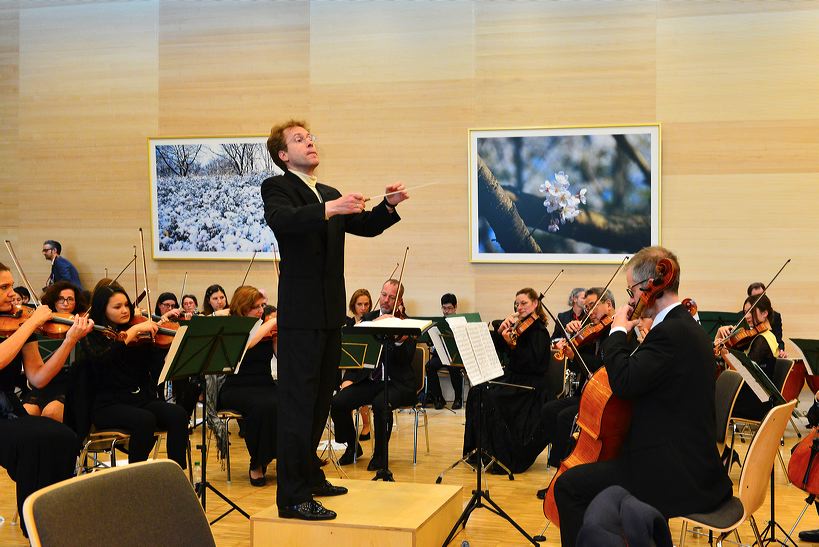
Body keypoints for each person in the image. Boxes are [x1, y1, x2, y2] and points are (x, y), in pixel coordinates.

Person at [261, 119, 406, 520]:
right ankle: (292, 497)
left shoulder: (329, 192)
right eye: (299, 140)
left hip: (330, 315)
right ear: (283, 155)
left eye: (310, 137)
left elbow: (365, 226)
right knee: (297, 406)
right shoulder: (277, 188)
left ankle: (310, 476)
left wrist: (388, 204)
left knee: (322, 398)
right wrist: (330, 209)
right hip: (300, 316)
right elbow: (285, 221)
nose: (310, 143)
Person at [553, 246, 733, 547]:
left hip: (672, 474)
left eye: (631, 290)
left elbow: (623, 381)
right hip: (691, 464)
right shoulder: (685, 327)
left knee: (568, 488)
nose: (630, 299)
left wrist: (617, 331)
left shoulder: (670, 333)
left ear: (651, 286)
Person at [0, 262, 92, 537]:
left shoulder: (17, 322)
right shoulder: (23, 324)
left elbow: (38, 378)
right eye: (3, 288)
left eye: (10, 286)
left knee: (63, 436)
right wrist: (30, 325)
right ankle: (34, 527)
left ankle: (54, 521)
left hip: (8, 408)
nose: (12, 293)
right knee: (34, 441)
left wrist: (69, 342)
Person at [80, 284, 189, 470]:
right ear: (102, 309)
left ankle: (176, 473)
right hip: (107, 404)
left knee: (178, 414)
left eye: (126, 305)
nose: (124, 310)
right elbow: (104, 359)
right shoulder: (92, 335)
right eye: (117, 307)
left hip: (138, 399)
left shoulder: (137, 331)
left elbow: (153, 373)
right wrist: (131, 333)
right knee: (144, 420)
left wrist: (158, 344)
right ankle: (135, 477)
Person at [462, 287, 552, 474]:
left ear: (535, 304)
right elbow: (497, 352)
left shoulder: (539, 332)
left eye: (524, 303)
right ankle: (479, 452)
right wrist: (501, 333)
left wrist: (512, 345)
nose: (519, 307)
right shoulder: (517, 329)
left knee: (491, 398)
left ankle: (500, 455)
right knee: (477, 391)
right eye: (517, 304)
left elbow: (532, 364)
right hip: (514, 378)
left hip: (531, 386)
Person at [332, 279, 417, 469]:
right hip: (370, 381)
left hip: (398, 383)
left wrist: (398, 341)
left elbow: (405, 359)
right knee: (338, 403)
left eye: (392, 297)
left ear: (400, 300)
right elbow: (356, 353)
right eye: (384, 294)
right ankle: (352, 446)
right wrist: (347, 379)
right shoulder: (368, 319)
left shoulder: (406, 323)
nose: (386, 300)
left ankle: (380, 456)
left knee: (381, 404)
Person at [218, 286, 279, 486]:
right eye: (255, 307)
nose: (261, 311)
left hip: (264, 383)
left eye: (262, 305)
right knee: (263, 406)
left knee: (287, 401)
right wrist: (273, 324)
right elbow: (248, 344)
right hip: (237, 387)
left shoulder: (266, 328)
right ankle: (257, 462)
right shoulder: (233, 328)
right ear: (243, 308)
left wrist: (278, 338)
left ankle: (281, 458)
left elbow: (281, 357)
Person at [21, 281, 88, 422]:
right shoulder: (42, 327)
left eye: (70, 299)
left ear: (76, 302)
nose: (65, 303)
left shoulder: (82, 326)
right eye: (60, 299)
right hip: (45, 380)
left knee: (52, 412)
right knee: (28, 412)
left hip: (70, 382)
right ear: (53, 301)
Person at [715, 294, 778, 421]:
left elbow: (746, 375)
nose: (747, 316)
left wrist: (725, 354)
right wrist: (719, 337)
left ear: (765, 313)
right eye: (745, 312)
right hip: (747, 394)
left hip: (755, 401)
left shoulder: (763, 340)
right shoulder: (755, 337)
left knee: (706, 396)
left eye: (751, 311)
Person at [424, 293, 464, 410]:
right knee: (429, 366)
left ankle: (458, 398)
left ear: (455, 307)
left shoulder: (460, 321)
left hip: (455, 355)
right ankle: (438, 398)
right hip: (441, 354)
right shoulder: (439, 323)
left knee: (453, 366)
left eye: (450, 308)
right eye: (444, 308)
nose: (446, 311)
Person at [344, 288, 373, 440]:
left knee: (359, 389)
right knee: (345, 391)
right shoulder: (347, 324)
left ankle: (367, 424)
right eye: (359, 304)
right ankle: (349, 430)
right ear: (353, 305)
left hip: (367, 366)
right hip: (352, 366)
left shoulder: (372, 322)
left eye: (366, 304)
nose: (363, 308)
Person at [747, 282, 786, 357]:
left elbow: (778, 340)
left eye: (762, 296)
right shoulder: (744, 316)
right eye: (755, 297)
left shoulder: (775, 316)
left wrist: (781, 351)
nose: (759, 300)